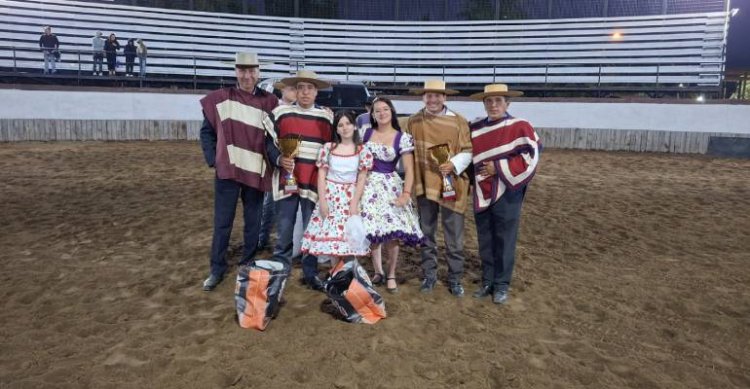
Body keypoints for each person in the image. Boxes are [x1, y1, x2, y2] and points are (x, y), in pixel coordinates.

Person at [198, 52, 279, 291]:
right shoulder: (221, 99)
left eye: (252, 70)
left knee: (253, 221)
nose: (247, 75)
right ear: (236, 72)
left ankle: (247, 262)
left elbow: (275, 136)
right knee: (223, 222)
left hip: (255, 170)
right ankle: (217, 268)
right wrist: (215, 159)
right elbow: (206, 133)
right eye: (242, 70)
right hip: (228, 172)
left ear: (258, 73)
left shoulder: (270, 102)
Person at [468, 84, 541, 304]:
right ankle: (487, 280)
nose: (493, 105)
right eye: (489, 101)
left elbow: (531, 155)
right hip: (482, 189)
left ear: (507, 103)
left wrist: (498, 167)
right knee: (486, 239)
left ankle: (502, 284)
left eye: (498, 101)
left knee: (505, 239)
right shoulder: (476, 128)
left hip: (508, 190)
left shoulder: (520, 126)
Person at [266, 69, 333, 291]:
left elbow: (331, 150)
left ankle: (310, 272)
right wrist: (278, 160)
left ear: (316, 92)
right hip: (287, 179)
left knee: (311, 229)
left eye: (310, 88)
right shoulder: (280, 113)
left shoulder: (326, 117)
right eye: (301, 87)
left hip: (313, 182)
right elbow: (268, 144)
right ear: (295, 90)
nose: (305, 92)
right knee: (284, 228)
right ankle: (280, 269)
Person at [405, 80, 472, 297]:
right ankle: (429, 275)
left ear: (445, 97)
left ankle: (455, 278)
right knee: (427, 232)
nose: (432, 100)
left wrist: (453, 164)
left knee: (454, 235)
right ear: (423, 97)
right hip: (424, 183)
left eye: (437, 95)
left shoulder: (459, 122)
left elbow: (468, 150)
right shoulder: (414, 122)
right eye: (428, 95)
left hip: (451, 183)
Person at [360, 97, 424, 294]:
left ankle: (391, 274)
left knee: (393, 233)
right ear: (372, 114)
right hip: (368, 185)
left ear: (392, 111)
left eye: (385, 109)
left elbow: (409, 170)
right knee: (373, 232)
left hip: (390, 186)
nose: (381, 113)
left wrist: (406, 193)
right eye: (377, 110)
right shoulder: (366, 133)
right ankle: (378, 271)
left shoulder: (402, 137)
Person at [300, 111, 373, 269]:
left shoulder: (362, 150)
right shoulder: (328, 148)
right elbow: (321, 176)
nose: (344, 128)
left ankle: (349, 275)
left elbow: (361, 179)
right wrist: (323, 202)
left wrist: (354, 203)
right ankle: (335, 274)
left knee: (350, 239)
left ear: (354, 126)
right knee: (333, 241)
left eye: (348, 124)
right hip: (331, 198)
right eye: (340, 125)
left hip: (350, 199)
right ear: (336, 129)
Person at [257, 81, 299, 251]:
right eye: (291, 88)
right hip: (275, 163)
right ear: (282, 90)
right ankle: (262, 237)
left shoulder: (297, 110)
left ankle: (285, 238)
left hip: (293, 161)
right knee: (271, 201)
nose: (295, 92)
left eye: (296, 89)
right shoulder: (274, 109)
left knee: (288, 200)